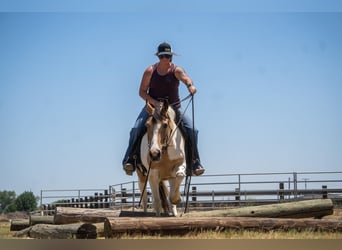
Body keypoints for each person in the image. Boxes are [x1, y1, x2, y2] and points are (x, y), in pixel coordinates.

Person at [122, 42, 205, 176]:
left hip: (174, 108)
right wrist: (155, 103)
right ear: (158, 57)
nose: (165, 58)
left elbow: (186, 78)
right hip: (153, 108)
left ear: (171, 57)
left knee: (192, 130)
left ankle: (195, 162)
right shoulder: (150, 71)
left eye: (168, 55)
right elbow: (142, 92)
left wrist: (190, 86)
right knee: (136, 128)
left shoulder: (176, 70)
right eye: (162, 56)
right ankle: (130, 160)